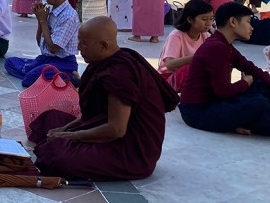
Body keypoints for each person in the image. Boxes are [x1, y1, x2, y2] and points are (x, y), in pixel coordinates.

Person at [29, 16, 180, 181]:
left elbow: (116, 129)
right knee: (50, 118)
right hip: (108, 132)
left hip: (130, 152)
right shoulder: (106, 59)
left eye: (83, 43)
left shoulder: (120, 73)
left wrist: (70, 136)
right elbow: (93, 117)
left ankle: (58, 147)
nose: (79, 48)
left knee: (54, 156)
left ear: (103, 45)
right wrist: (65, 129)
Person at [180, 2, 270, 136]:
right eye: (248, 22)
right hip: (199, 111)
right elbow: (224, 92)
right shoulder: (217, 48)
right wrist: (245, 82)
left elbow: (251, 68)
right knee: (258, 105)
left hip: (216, 102)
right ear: (233, 22)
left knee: (260, 86)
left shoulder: (223, 44)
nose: (251, 28)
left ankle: (240, 122)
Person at [5, 0, 80, 87]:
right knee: (10, 63)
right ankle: (50, 78)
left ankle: (66, 77)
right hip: (47, 59)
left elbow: (54, 48)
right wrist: (41, 20)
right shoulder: (52, 10)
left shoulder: (69, 16)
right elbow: (39, 41)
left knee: (29, 79)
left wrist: (43, 20)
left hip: (64, 62)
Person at [158, 0, 213, 93]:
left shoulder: (206, 36)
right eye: (204, 19)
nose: (209, 23)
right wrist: (196, 57)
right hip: (167, 78)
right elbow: (169, 64)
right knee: (189, 69)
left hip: (189, 77)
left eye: (211, 18)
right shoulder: (176, 35)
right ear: (190, 19)